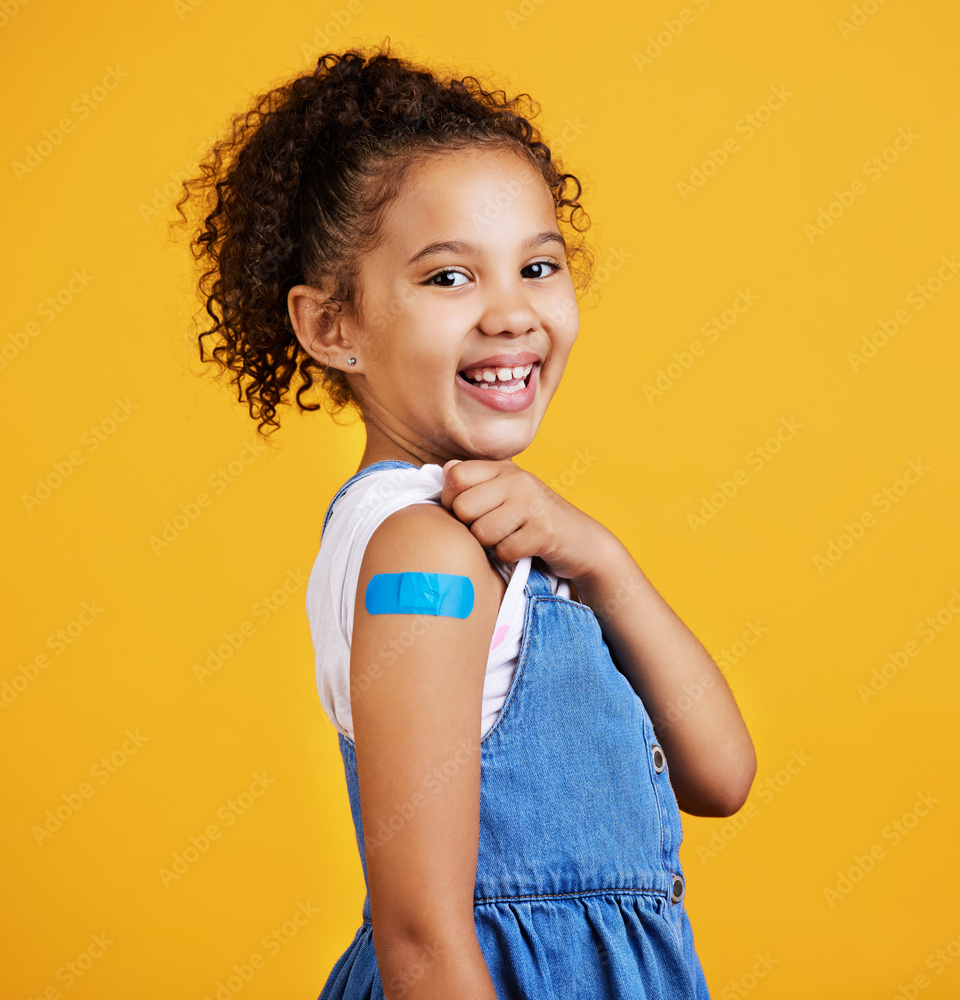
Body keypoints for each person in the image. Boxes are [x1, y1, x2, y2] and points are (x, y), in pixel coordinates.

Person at [176, 41, 757, 1000]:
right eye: (449, 278)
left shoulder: (513, 538)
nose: (511, 314)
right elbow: (418, 940)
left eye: (537, 266)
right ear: (333, 327)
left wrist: (602, 560)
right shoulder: (423, 550)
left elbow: (721, 774)